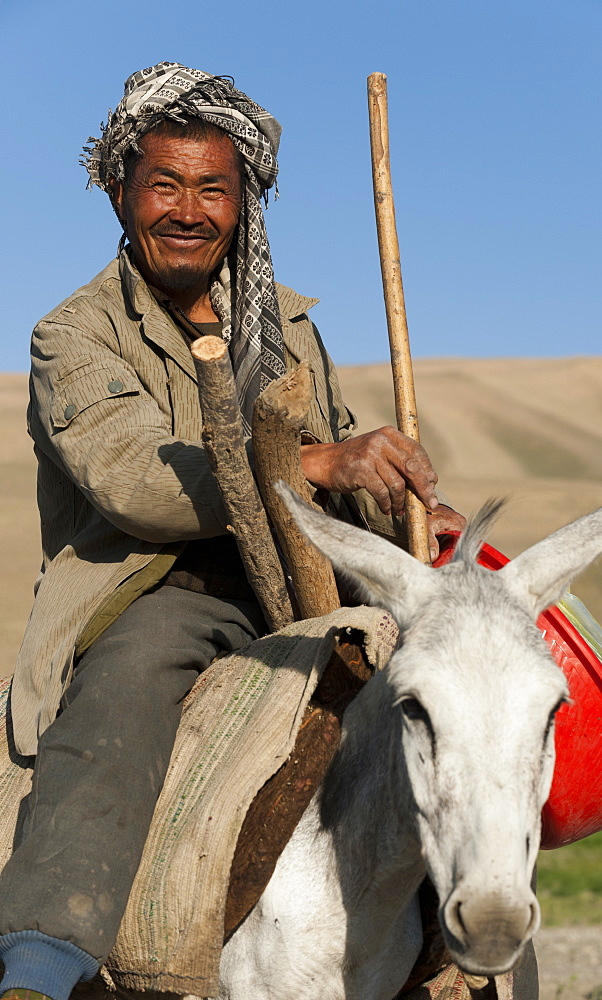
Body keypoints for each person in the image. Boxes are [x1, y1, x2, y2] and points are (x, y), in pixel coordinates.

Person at [0, 63, 467, 1000]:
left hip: (313, 579)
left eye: (213, 187)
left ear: (243, 200)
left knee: (475, 676)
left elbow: (339, 457)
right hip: (162, 583)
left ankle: (474, 938)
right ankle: (42, 961)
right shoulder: (73, 335)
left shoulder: (286, 322)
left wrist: (400, 507)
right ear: (119, 190)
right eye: (164, 184)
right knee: (126, 692)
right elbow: (136, 482)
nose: (188, 209)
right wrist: (311, 465)